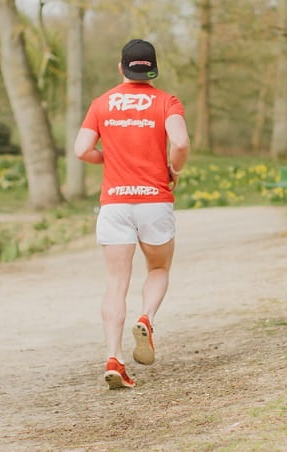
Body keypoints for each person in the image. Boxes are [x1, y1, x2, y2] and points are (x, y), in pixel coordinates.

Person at [74, 39, 190, 389]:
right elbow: (181, 144)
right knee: (157, 267)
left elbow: (82, 150)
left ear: (120, 67)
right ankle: (147, 317)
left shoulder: (102, 103)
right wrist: (174, 169)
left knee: (115, 284)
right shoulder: (167, 101)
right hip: (154, 199)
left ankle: (114, 357)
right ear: (152, 68)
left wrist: (108, 157)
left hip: (115, 203)